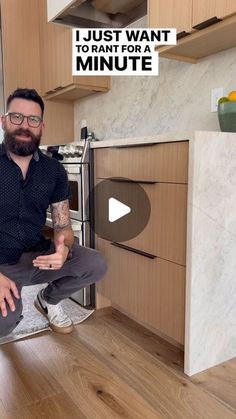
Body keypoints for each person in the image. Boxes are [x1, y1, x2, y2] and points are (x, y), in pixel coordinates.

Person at [0, 87, 107, 337]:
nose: (25, 125)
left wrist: (64, 248)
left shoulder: (53, 171)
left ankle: (49, 299)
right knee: (4, 324)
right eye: (17, 117)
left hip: (38, 254)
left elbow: (63, 227)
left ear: (41, 126)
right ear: (4, 121)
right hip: (2, 262)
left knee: (95, 263)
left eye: (33, 119)